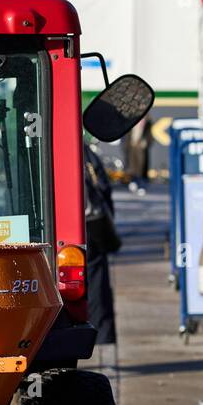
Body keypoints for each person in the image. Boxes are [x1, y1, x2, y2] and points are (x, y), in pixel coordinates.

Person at [84, 140, 119, 345]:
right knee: (97, 280)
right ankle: (101, 334)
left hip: (55, 227)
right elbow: (103, 187)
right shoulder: (85, 153)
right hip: (90, 225)